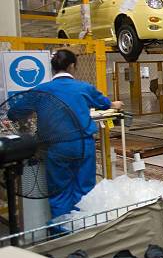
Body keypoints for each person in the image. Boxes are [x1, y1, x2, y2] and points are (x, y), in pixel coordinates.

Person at [10, 49, 123, 219]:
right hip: (83, 145)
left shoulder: (40, 91)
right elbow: (105, 104)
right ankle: (86, 230)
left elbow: (14, 112)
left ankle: (62, 233)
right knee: (85, 191)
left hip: (55, 147)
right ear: (72, 66)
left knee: (60, 190)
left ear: (53, 68)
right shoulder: (84, 88)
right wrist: (115, 104)